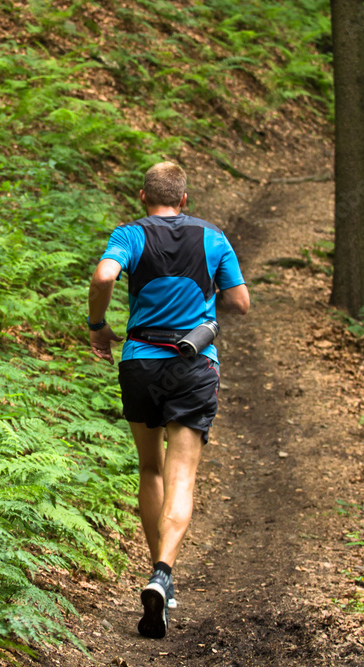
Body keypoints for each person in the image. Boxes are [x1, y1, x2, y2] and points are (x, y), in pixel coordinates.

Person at [86, 161, 249, 639]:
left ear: (143, 196)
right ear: (184, 199)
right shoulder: (213, 237)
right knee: (182, 475)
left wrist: (99, 327)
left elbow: (103, 277)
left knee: (150, 469)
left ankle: (162, 581)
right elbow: (239, 302)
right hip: (194, 364)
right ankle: (163, 573)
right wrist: (203, 306)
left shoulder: (130, 234)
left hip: (141, 362)